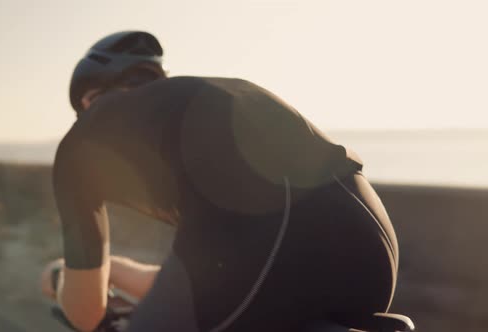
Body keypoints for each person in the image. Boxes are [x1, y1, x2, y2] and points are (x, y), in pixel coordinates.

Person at [40, 30, 400, 332]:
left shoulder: (82, 140)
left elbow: (86, 315)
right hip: (371, 240)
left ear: (89, 100)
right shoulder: (201, 106)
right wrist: (114, 270)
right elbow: (205, 275)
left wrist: (60, 278)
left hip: (274, 250)